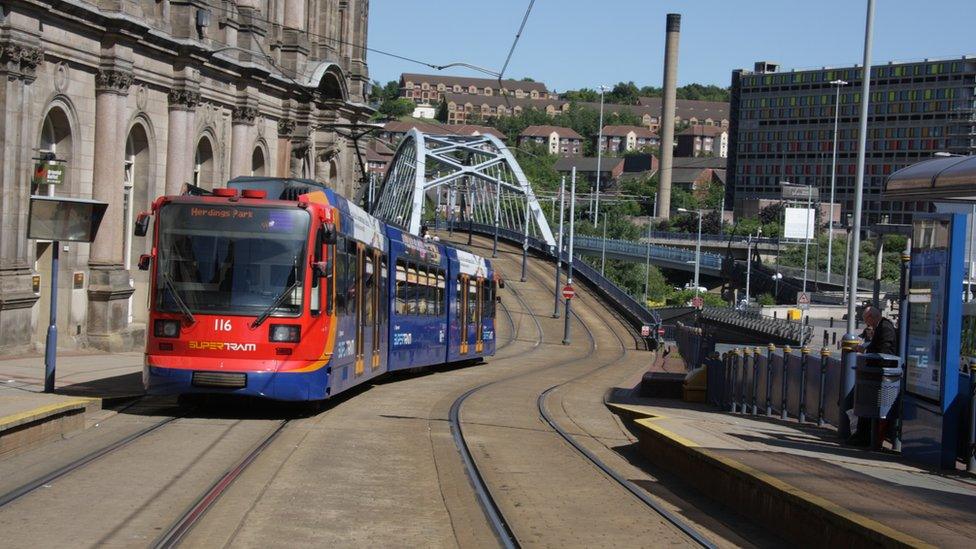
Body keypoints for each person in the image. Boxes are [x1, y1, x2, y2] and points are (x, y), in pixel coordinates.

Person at [847, 305, 898, 446]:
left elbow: (883, 350)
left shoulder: (885, 328)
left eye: (865, 320)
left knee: (866, 404)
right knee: (860, 402)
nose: (866, 324)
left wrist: (864, 349)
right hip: (875, 375)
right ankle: (860, 434)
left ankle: (864, 437)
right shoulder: (881, 326)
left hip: (881, 377)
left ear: (871, 318)